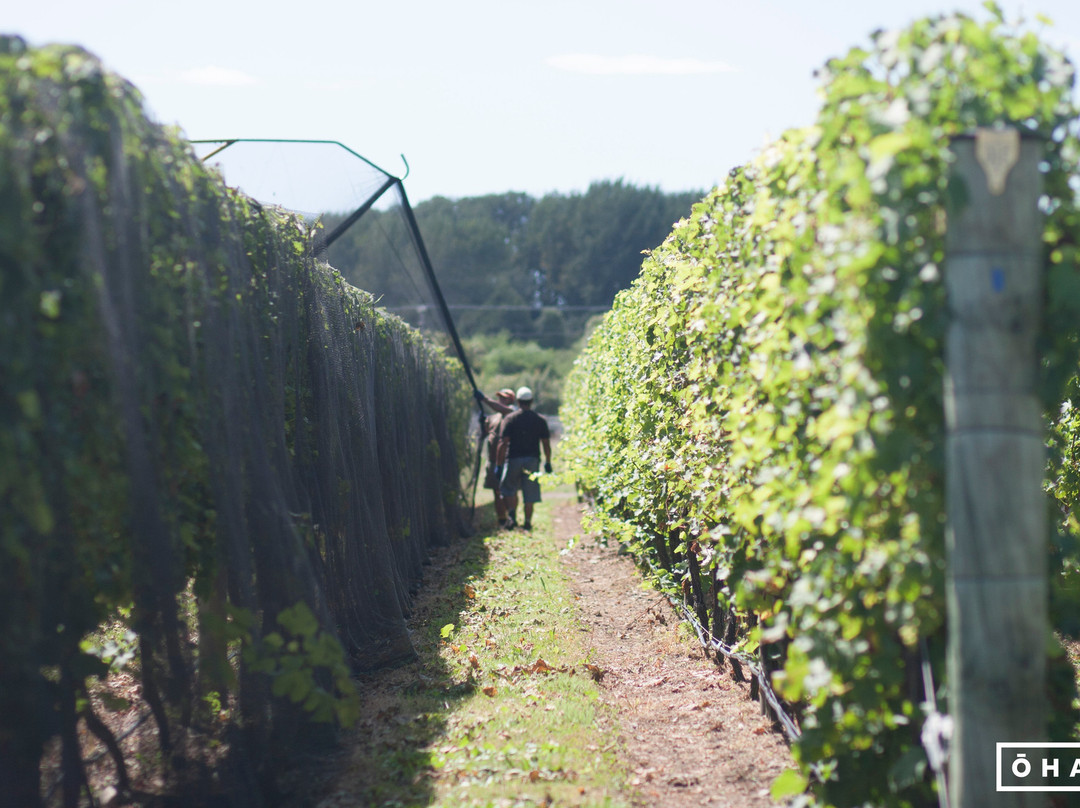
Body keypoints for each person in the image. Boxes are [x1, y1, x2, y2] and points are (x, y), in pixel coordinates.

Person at [495, 386, 552, 531]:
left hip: (513, 459)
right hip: (532, 460)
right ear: (531, 401)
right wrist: (548, 462)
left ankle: (512, 515)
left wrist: (499, 464)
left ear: (518, 402)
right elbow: (545, 443)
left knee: (509, 489)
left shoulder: (510, 419)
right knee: (530, 492)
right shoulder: (540, 420)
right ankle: (527, 522)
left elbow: (503, 443)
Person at [474, 388, 516, 526]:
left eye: (505, 398)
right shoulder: (493, 418)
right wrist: (482, 422)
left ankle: (511, 516)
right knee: (496, 491)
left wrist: (484, 399)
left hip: (508, 460)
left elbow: (502, 409)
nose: (501, 400)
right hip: (493, 460)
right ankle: (502, 519)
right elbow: (486, 432)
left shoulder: (512, 413)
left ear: (511, 400)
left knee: (509, 491)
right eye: (500, 398)